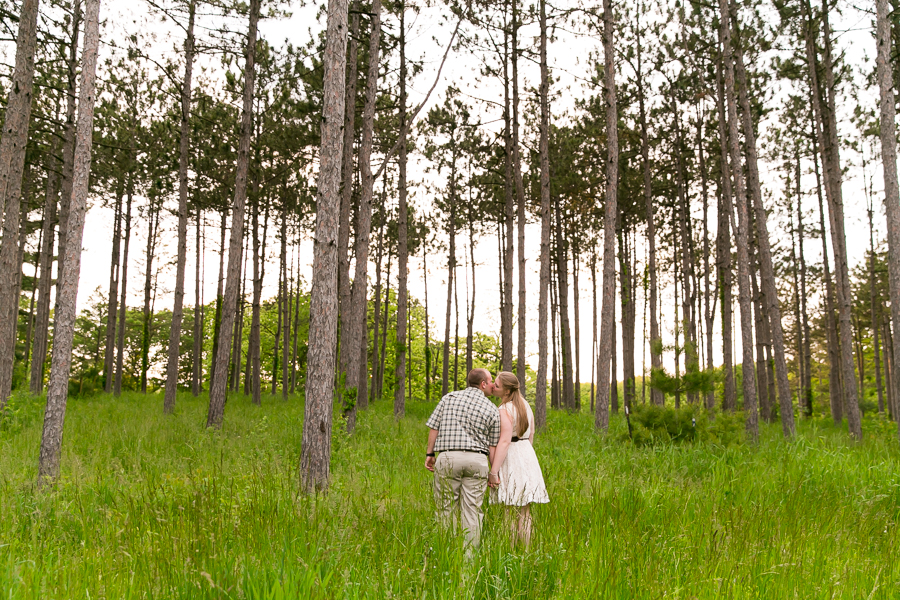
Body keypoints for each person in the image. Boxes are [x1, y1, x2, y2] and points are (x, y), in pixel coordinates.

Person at [424, 368, 500, 550]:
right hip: (477, 460)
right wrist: (493, 472)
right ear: (482, 384)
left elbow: (434, 427)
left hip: (448, 457)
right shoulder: (492, 408)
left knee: (445, 508)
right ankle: (469, 559)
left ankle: (446, 553)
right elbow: (492, 445)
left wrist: (430, 453)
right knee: (472, 511)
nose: (492, 386)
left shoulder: (448, 398)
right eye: (490, 382)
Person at [489, 371, 549, 547]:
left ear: (507, 392)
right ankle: (526, 551)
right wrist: (526, 455)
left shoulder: (504, 410)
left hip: (512, 455)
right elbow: (531, 435)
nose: (494, 386)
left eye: (497, 385)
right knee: (525, 510)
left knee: (508, 508)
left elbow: (505, 441)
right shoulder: (525, 405)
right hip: (527, 453)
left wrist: (494, 471)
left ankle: (509, 549)